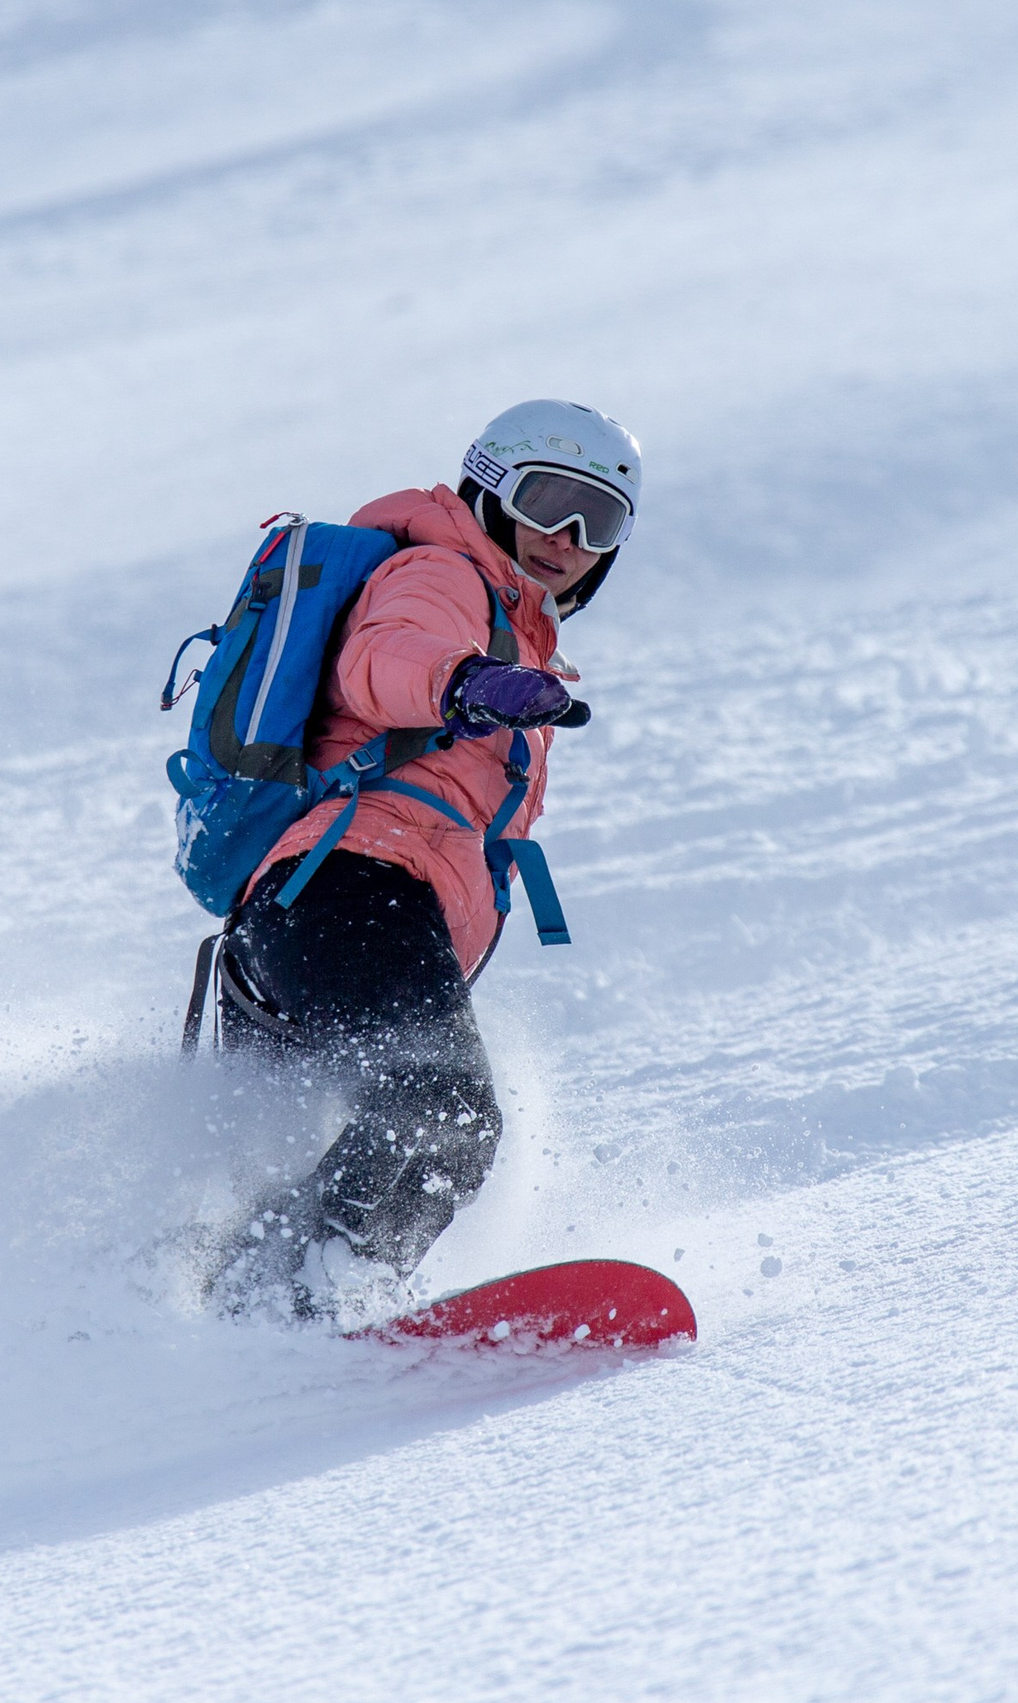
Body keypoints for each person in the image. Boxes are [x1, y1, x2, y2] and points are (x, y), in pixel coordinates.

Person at [211, 399, 642, 1318]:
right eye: (548, 499)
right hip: (348, 889)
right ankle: (308, 1300)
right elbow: (380, 660)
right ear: (489, 490)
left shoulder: (521, 640)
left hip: (313, 926)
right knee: (444, 1111)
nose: (566, 535)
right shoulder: (441, 573)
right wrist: (464, 680)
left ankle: (239, 1295)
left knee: (396, 1127)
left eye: (596, 519)